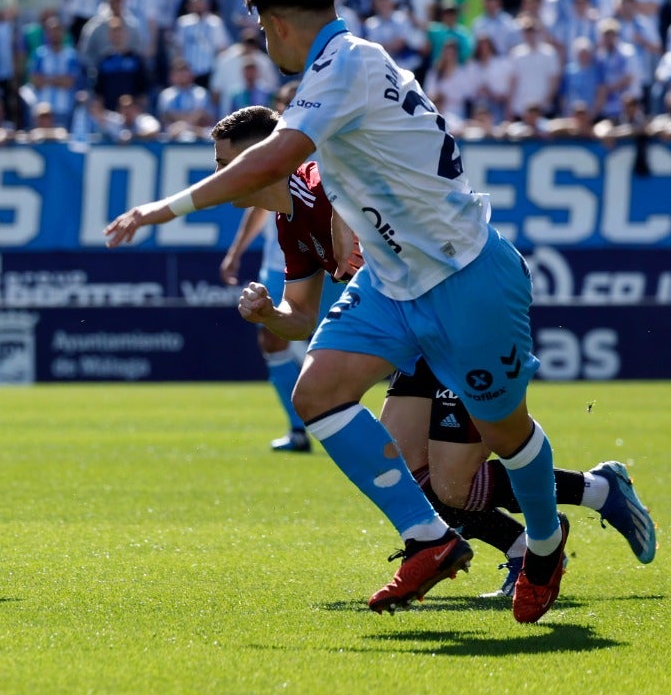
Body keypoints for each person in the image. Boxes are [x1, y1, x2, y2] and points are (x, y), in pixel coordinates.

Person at [107, 0, 568, 623]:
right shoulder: (348, 64)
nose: (266, 44)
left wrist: (163, 208)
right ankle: (429, 540)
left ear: (276, 24)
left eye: (263, 32)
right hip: (394, 281)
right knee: (319, 393)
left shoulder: (343, 65)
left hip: (464, 275)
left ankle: (547, 546)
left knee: (507, 433)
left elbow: (272, 157)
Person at [215, 104, 656, 596]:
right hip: (413, 327)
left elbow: (349, 176)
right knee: (409, 473)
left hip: (454, 308)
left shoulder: (320, 181)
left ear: (262, 159)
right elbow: (299, 315)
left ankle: (576, 509)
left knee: (453, 485)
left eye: (225, 165)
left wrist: (350, 227)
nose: (218, 176)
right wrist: (268, 315)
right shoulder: (288, 220)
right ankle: (544, 525)